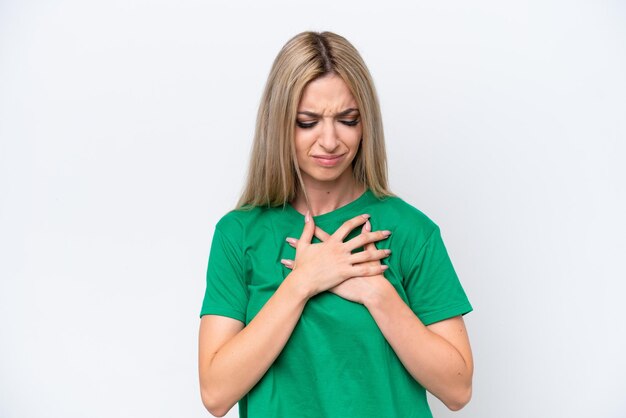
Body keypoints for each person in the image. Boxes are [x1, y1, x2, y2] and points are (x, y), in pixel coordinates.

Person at [198, 31, 474, 418]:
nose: (330, 141)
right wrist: (302, 282)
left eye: (347, 120)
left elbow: (458, 388)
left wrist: (377, 294)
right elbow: (215, 394)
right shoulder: (239, 234)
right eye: (307, 122)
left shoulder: (411, 231)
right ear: (280, 124)